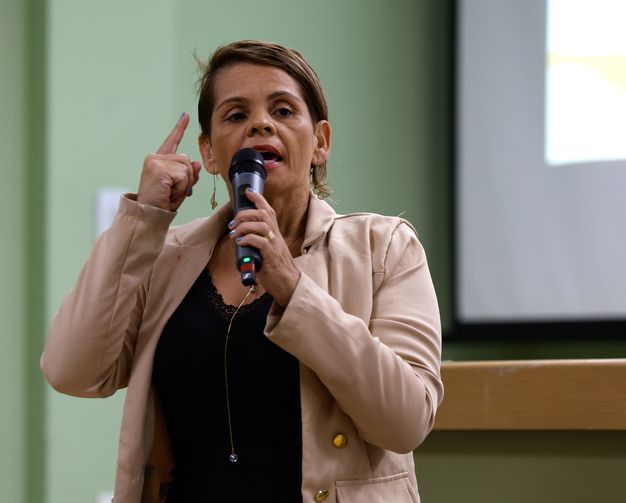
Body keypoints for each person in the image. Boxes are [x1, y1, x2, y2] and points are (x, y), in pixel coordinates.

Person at [41, 40, 443, 503]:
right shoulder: (167, 255)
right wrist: (143, 220)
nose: (260, 123)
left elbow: (407, 421)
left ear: (320, 143)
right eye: (235, 115)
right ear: (209, 154)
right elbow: (71, 371)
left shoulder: (384, 247)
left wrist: (293, 289)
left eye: (284, 110)